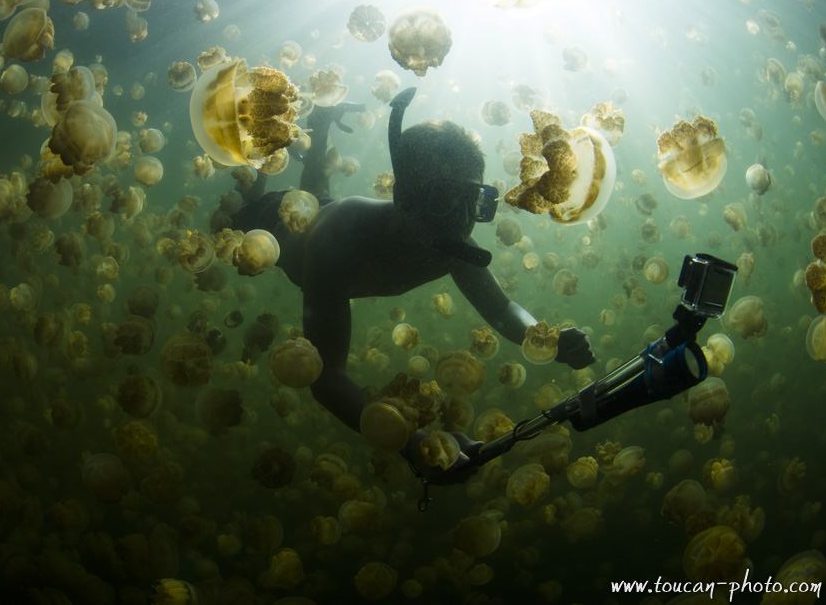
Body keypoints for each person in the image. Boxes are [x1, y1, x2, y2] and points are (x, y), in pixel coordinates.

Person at [228, 87, 595, 485]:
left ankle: (319, 125)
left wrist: (545, 338)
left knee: (317, 195)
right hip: (274, 230)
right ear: (402, 195)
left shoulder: (452, 246)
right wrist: (411, 440)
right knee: (232, 222)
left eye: (473, 200)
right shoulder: (339, 241)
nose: (458, 218)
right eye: (441, 198)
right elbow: (326, 376)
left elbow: (501, 309)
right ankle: (252, 186)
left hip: (322, 212)